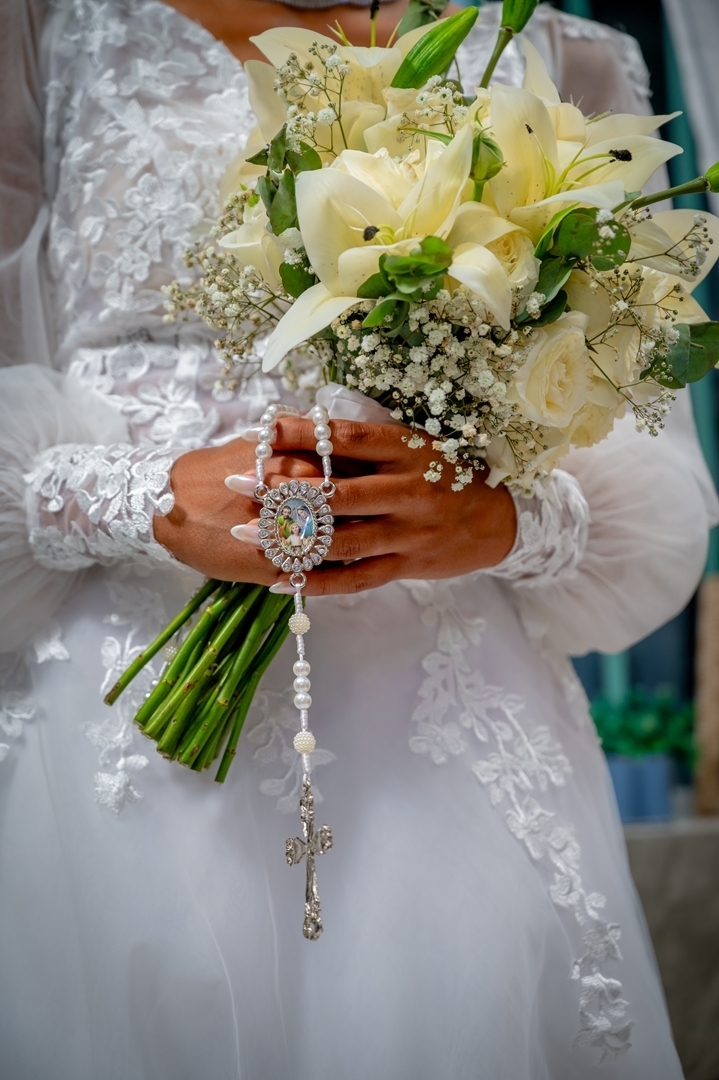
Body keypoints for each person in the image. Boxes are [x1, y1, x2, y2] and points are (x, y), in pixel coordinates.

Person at [0, 1, 715, 1077]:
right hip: (121, 722)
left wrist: (503, 515)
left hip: (445, 728)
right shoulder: (44, 27)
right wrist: (132, 495)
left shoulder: (558, 53)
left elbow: (636, 430)